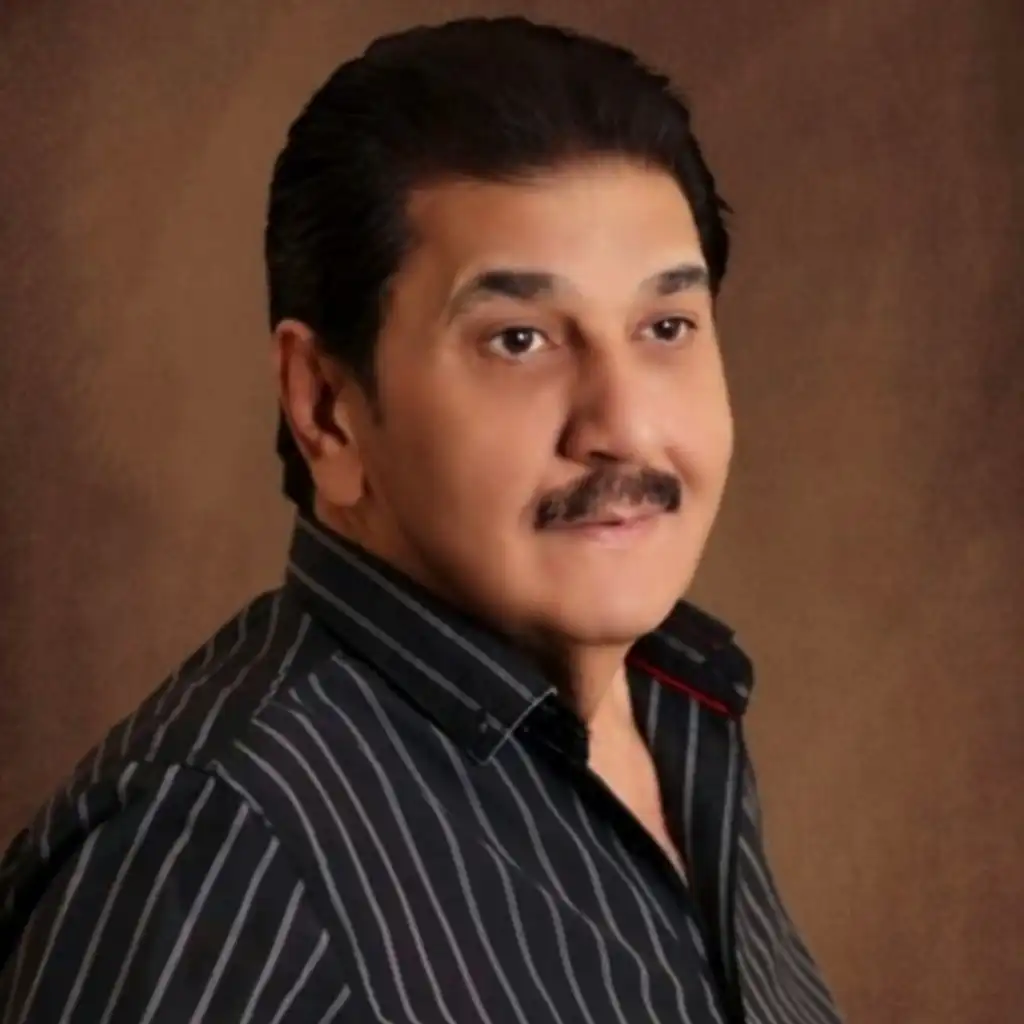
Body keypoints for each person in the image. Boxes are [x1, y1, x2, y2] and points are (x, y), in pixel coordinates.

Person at [0, 16, 843, 1024]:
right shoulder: (216, 854)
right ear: (325, 405)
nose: (623, 426)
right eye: (519, 340)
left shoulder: (677, 711)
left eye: (665, 327)